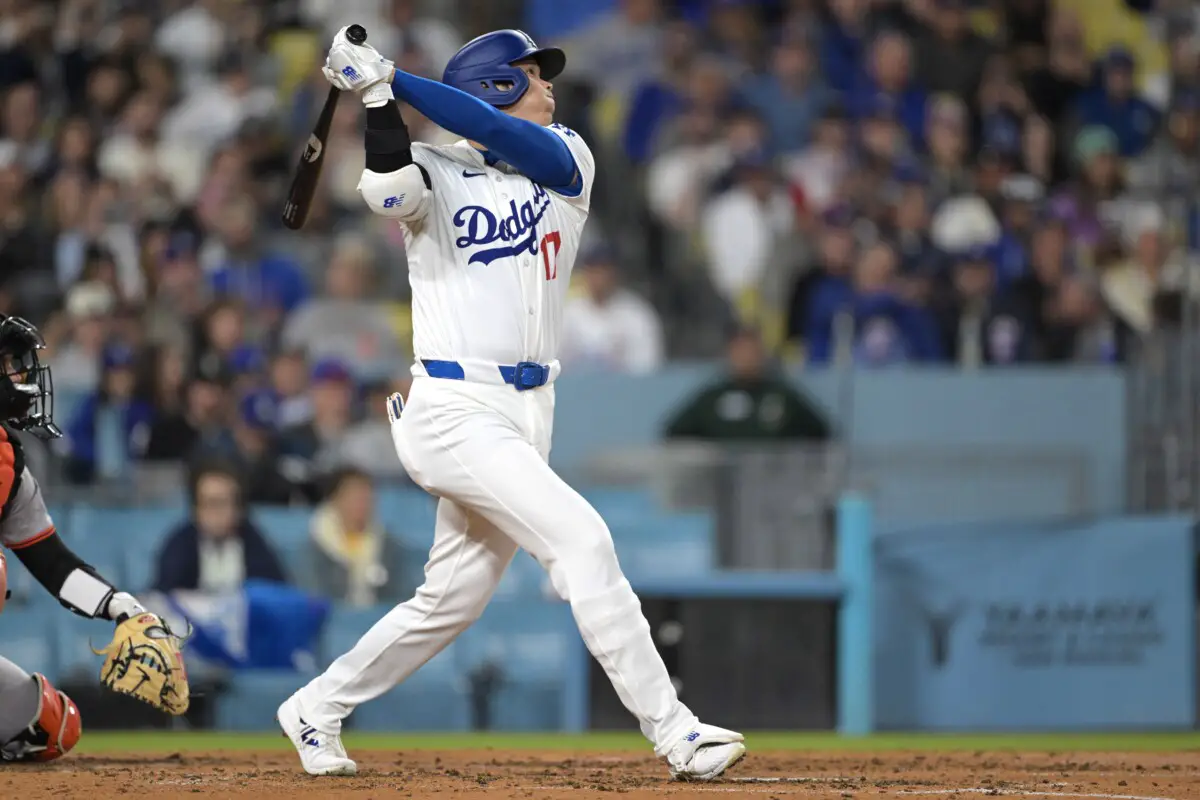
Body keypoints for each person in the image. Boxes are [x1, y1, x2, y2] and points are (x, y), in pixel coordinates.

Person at [276, 27, 745, 782]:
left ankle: (316, 706)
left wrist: (393, 76)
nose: (548, 86)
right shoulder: (432, 166)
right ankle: (676, 731)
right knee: (584, 542)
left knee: (449, 601)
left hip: (529, 409)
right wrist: (376, 98)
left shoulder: (567, 158)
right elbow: (390, 185)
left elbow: (490, 130)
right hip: (454, 405)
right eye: (529, 74)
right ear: (492, 84)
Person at [0, 314, 188, 763]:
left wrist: (121, 607)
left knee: (52, 726)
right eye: (10, 365)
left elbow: (50, 562)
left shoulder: (8, 462)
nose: (22, 378)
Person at [152, 460, 288, 594]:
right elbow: (161, 595)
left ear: (239, 508)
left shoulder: (254, 542)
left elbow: (278, 594)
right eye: (208, 503)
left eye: (222, 503)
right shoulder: (180, 544)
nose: (215, 513)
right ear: (195, 509)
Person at [300, 467, 409, 606]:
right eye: (354, 497)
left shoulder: (388, 545)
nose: (362, 505)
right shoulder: (315, 546)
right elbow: (312, 594)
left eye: (366, 498)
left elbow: (400, 595)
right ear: (335, 500)